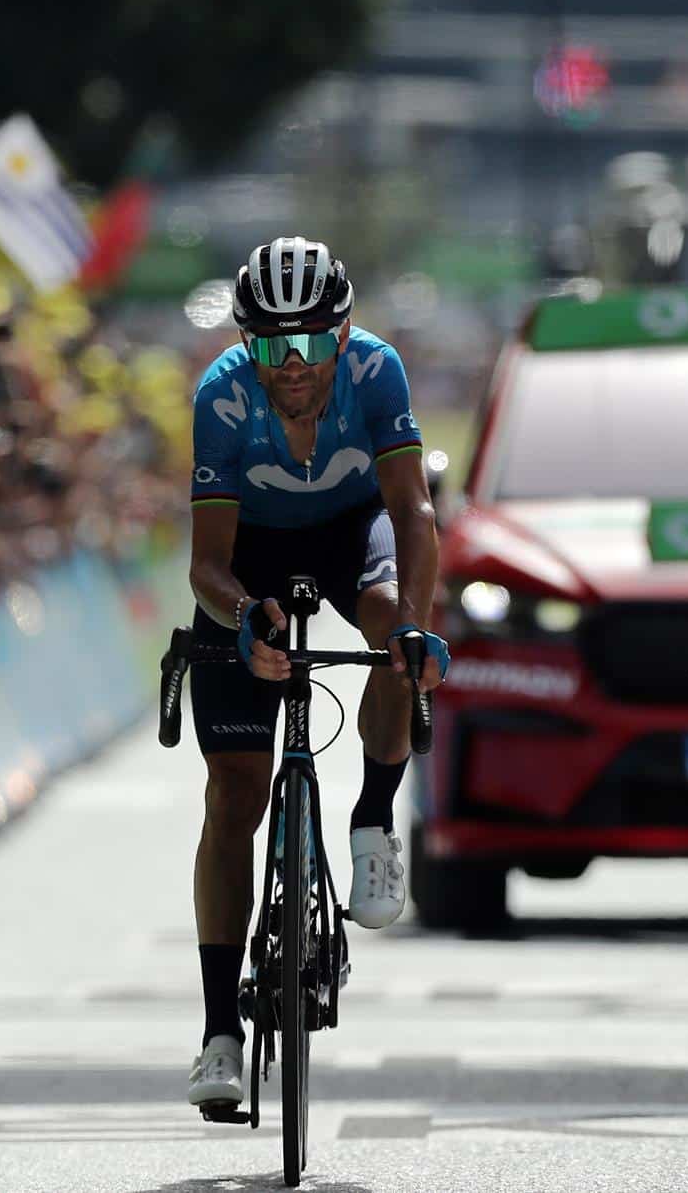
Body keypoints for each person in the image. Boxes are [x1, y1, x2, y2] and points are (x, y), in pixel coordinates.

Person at [182, 236, 449, 1110]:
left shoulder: (377, 373)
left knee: (391, 626)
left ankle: (374, 820)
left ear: (343, 334)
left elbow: (411, 508)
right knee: (234, 798)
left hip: (351, 530)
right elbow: (208, 566)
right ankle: (221, 1031)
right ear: (247, 341)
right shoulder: (223, 394)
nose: (289, 366)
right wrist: (242, 621)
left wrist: (414, 622)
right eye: (269, 345)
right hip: (249, 552)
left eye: (308, 344)